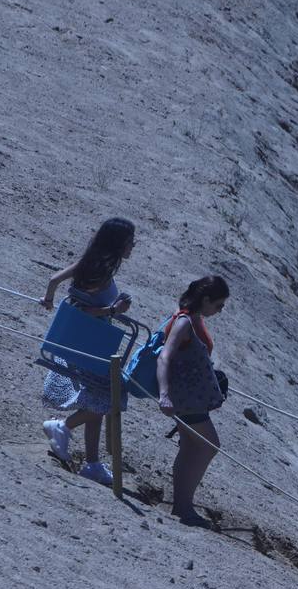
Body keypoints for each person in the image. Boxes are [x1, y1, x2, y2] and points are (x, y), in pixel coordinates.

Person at [39, 217, 136, 485]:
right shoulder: (100, 271)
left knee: (96, 400)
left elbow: (54, 279)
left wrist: (49, 299)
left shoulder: (90, 262)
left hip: (86, 346)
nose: (133, 246)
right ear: (118, 243)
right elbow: (82, 310)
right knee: (107, 400)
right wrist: (114, 310)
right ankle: (62, 427)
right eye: (130, 242)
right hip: (90, 347)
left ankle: (92, 463)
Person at [156, 275, 230, 526]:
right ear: (206, 300)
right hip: (186, 398)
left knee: (191, 448)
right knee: (209, 445)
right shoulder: (185, 321)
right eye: (218, 305)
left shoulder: (191, 317)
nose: (220, 311)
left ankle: (182, 505)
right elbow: (165, 357)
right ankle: (183, 506)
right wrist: (164, 394)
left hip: (190, 397)